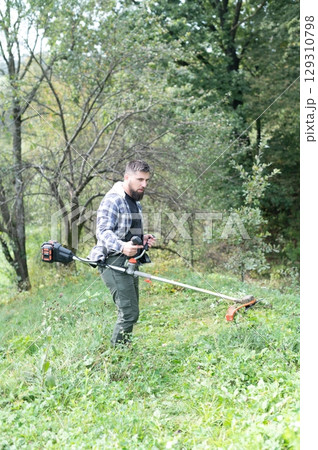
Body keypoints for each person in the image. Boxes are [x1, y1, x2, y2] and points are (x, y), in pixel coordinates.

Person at [93, 160, 156, 347]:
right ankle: (118, 357)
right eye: (140, 180)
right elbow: (103, 232)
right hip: (112, 260)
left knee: (131, 312)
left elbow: (125, 231)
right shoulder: (113, 199)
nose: (144, 185)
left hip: (129, 260)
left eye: (146, 180)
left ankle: (124, 351)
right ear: (127, 177)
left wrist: (141, 239)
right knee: (129, 313)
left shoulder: (135, 201)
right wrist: (121, 247)